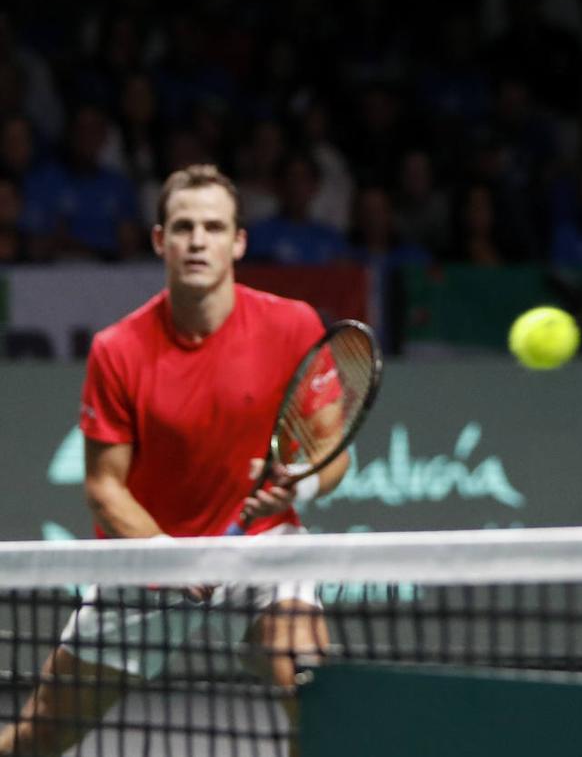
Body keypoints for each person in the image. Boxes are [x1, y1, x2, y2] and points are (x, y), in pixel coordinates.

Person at [0, 164, 349, 757]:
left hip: (258, 548)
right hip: (148, 559)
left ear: (238, 241)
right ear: (160, 240)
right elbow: (105, 489)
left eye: (214, 227)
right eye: (183, 227)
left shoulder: (293, 325)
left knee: (317, 695)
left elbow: (329, 450)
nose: (197, 241)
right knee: (39, 739)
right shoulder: (119, 349)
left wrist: (299, 486)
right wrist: (170, 557)